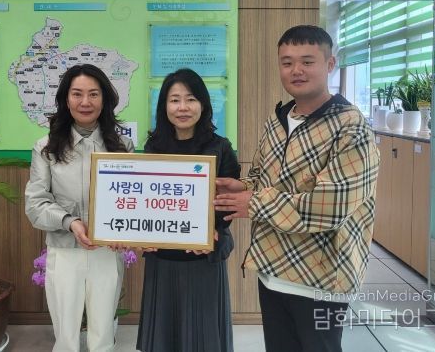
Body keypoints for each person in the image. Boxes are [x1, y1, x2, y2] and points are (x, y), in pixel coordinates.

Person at [214, 25, 380, 352]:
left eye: (307, 61)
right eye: (287, 62)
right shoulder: (278, 119)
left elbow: (330, 207)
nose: (296, 70)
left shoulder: (351, 126)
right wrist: (242, 186)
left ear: (330, 64)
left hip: (322, 279)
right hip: (272, 270)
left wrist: (254, 202)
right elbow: (263, 178)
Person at [25, 64, 134, 352]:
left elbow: (131, 201)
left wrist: (125, 230)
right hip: (64, 251)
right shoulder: (46, 147)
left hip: (107, 251)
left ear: (105, 99)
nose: (85, 102)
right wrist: (70, 222)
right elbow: (35, 204)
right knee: (66, 335)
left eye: (93, 94)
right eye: (77, 94)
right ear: (66, 99)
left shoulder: (122, 146)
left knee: (103, 333)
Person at [136, 68, 240, 352]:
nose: (182, 107)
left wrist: (213, 230)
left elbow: (228, 203)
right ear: (164, 106)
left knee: (203, 338)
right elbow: (147, 201)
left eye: (191, 99)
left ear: (203, 104)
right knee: (164, 338)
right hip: (162, 258)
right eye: (174, 100)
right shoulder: (153, 147)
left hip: (203, 257)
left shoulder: (220, 147)